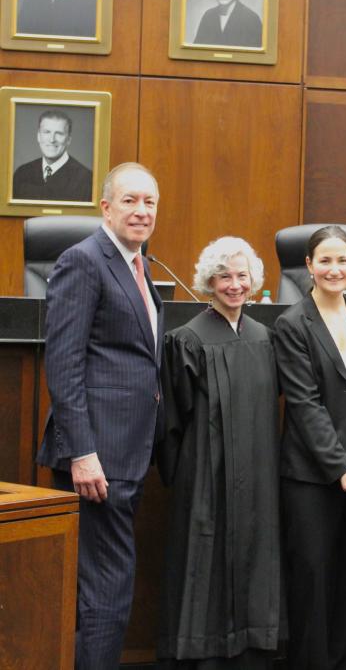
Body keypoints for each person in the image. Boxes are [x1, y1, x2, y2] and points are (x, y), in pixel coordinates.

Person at [36, 162, 163, 670]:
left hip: (124, 452)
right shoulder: (84, 261)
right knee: (106, 592)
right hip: (98, 459)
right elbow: (63, 366)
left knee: (106, 590)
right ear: (105, 207)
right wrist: (83, 453)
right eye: (130, 201)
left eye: (150, 202)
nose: (141, 211)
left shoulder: (139, 263)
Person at [156, 237, 283, 669]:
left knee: (255, 555)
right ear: (209, 282)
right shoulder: (187, 340)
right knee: (204, 558)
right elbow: (173, 417)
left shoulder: (265, 338)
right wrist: (186, 474)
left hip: (259, 475)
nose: (234, 284)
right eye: (224, 276)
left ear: (254, 281)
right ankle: (202, 654)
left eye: (242, 275)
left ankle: (251, 650)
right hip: (206, 476)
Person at [273, 225, 346, 670]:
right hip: (312, 475)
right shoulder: (292, 323)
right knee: (313, 581)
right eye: (325, 260)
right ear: (309, 266)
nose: (334, 269)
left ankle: (343, 662)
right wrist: (339, 465)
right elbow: (304, 404)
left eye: (343, 261)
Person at [12, 109, 93, 202]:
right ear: (38, 136)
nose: (52, 139)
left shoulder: (86, 179)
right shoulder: (22, 173)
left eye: (59, 133)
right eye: (47, 132)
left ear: (68, 140)